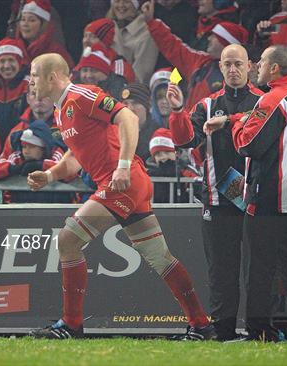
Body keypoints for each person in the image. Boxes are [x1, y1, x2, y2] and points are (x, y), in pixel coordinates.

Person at [26, 53, 215, 340]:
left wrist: (123, 165)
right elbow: (75, 158)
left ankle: (71, 325)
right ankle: (201, 325)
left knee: (68, 240)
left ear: (52, 76)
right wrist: (50, 175)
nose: (31, 81)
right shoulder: (60, 110)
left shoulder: (82, 94)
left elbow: (126, 116)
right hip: (126, 183)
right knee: (159, 257)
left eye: (34, 74)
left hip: (121, 182)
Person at [204, 45, 287, 343]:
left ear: (274, 69)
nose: (256, 66)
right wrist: (238, 120)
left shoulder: (272, 99)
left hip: (267, 195)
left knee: (258, 268)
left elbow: (248, 145)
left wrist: (233, 126)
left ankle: (259, 330)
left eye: (261, 62)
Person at [168, 44, 263, 340]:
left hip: (257, 199)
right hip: (217, 200)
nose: (233, 70)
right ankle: (223, 331)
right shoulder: (206, 105)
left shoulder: (264, 102)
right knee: (221, 271)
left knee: (258, 268)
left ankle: (260, 329)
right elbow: (186, 141)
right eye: (227, 65)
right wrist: (177, 112)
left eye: (238, 64)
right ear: (220, 68)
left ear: (250, 66)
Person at [141, 0, 249, 111]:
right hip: (191, 124)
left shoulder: (240, 77)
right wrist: (151, 22)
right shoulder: (200, 62)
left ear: (225, 43)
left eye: (215, 36)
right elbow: (173, 47)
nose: (209, 38)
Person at [109, 0, 159, 84]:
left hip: (128, 92)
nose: (121, 5)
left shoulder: (146, 34)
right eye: (117, 1)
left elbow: (141, 76)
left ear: (136, 6)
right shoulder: (108, 28)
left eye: (127, 1)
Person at [16, 0, 74, 68]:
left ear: (43, 25)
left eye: (32, 20)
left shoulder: (57, 53)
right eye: (23, 19)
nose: (25, 24)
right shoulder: (15, 48)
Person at [82, 18, 136, 83]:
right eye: (85, 36)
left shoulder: (119, 67)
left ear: (105, 41)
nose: (86, 41)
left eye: (93, 37)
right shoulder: (80, 66)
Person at [120, 83, 159, 163]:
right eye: (126, 103)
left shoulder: (157, 134)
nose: (130, 108)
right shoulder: (114, 131)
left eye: (135, 103)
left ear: (147, 106)